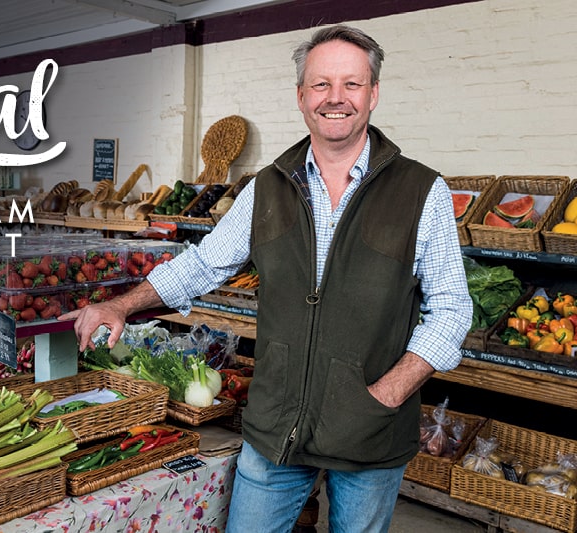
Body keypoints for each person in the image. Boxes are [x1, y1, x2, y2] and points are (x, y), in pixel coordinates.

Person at [59, 24, 472, 533]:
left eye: (351, 84)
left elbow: (452, 310)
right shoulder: (268, 187)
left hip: (371, 431)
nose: (335, 98)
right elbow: (204, 263)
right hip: (276, 425)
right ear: (301, 97)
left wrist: (386, 393)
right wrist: (122, 305)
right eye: (320, 84)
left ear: (374, 94)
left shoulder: (421, 190)